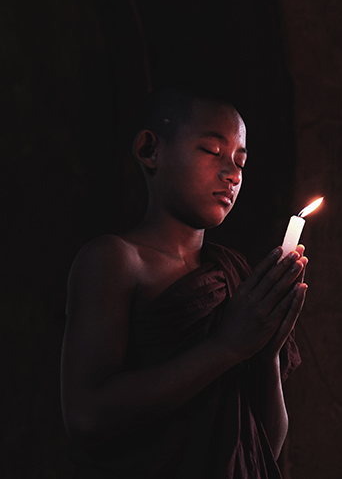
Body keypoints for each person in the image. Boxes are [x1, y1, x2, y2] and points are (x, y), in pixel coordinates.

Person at [61, 85, 307, 478]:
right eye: (211, 151)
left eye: (240, 163)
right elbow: (87, 417)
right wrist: (227, 346)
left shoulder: (233, 276)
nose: (231, 174)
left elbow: (265, 448)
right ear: (149, 150)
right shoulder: (117, 259)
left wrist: (265, 355)